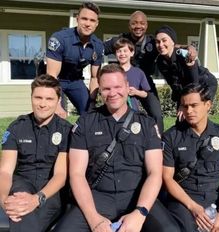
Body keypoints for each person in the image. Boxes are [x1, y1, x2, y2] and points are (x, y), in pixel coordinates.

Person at [53, 63, 181, 232]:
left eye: (117, 87)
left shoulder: (147, 124)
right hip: (97, 197)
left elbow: (154, 173)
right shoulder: (85, 123)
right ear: (100, 91)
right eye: (106, 88)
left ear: (128, 87)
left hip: (137, 195)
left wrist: (140, 213)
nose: (112, 93)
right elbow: (76, 174)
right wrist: (94, 219)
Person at [0, 74, 72, 232]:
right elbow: (5, 171)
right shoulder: (17, 128)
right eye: (38, 97)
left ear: (58, 101)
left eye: (49, 99)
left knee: (28, 217)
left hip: (51, 190)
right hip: (22, 185)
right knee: (19, 209)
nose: (42, 104)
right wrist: (5, 201)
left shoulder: (65, 130)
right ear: (31, 97)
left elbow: (60, 174)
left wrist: (37, 198)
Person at [162, 83, 219, 232]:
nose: (189, 111)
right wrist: (193, 207)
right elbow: (167, 178)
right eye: (185, 106)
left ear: (208, 105)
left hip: (215, 199)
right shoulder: (171, 137)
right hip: (183, 201)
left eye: (194, 105)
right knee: (189, 228)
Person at [104, 10, 164, 134]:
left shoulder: (152, 43)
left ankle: (159, 144)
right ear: (129, 25)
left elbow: (172, 46)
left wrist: (189, 48)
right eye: (134, 23)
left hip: (145, 82)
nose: (138, 26)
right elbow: (99, 48)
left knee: (157, 114)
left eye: (142, 23)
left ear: (146, 25)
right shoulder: (121, 40)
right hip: (122, 81)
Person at [46, 2, 103, 118]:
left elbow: (94, 77)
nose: (88, 24)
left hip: (75, 81)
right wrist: (56, 104)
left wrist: (92, 102)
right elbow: (51, 75)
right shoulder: (60, 39)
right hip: (55, 80)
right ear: (77, 19)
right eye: (84, 19)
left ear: (97, 24)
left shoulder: (98, 45)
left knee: (91, 115)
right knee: (56, 116)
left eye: (92, 20)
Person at [155, 25, 218, 109]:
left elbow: (194, 84)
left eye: (164, 40)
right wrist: (179, 102)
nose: (161, 44)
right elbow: (173, 83)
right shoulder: (160, 61)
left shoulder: (184, 55)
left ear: (173, 42)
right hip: (186, 86)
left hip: (204, 83)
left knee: (197, 112)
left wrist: (183, 105)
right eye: (158, 42)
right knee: (181, 118)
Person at [114, 37, 151, 111]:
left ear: (132, 53)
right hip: (114, 110)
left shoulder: (138, 72)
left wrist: (136, 92)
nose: (122, 54)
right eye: (119, 51)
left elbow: (146, 94)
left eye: (125, 51)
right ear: (115, 54)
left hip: (132, 111)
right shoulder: (112, 72)